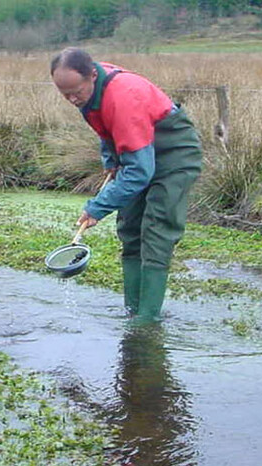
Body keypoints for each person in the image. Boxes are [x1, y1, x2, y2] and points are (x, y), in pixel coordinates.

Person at [50, 47, 203, 324]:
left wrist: (98, 207)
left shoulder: (123, 95)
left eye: (77, 92)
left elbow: (141, 172)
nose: (73, 99)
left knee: (157, 231)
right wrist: (110, 158)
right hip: (138, 154)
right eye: (65, 94)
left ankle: (147, 320)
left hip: (173, 155)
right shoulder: (89, 91)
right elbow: (106, 126)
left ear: (92, 75)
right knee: (130, 229)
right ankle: (132, 311)